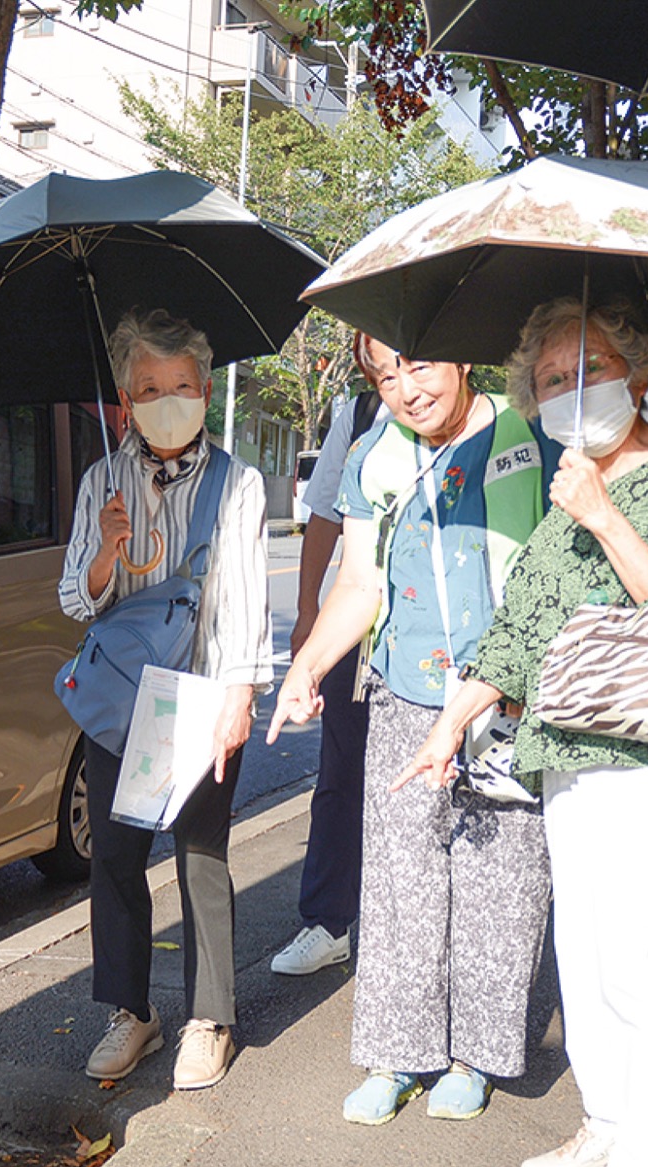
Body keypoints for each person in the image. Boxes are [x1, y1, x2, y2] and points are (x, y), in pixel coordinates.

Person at [395, 296, 648, 1167]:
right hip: (567, 753)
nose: (572, 389)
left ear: (636, 372)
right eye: (553, 380)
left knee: (644, 959)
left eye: (590, 368)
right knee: (588, 956)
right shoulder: (568, 489)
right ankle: (608, 1129)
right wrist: (450, 726)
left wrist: (600, 513)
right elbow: (518, 631)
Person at [267, 342, 554, 1124]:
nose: (406, 389)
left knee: (500, 882)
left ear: (465, 359)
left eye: (421, 365)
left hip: (506, 699)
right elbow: (360, 582)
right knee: (399, 879)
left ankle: (474, 1056)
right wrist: (311, 665)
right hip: (404, 691)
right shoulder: (372, 453)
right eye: (386, 375)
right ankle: (397, 1055)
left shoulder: (530, 437)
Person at [60, 308, 271, 1092]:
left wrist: (239, 696)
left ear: (207, 390)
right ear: (126, 396)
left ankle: (208, 1018)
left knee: (202, 852)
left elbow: (244, 598)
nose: (167, 399)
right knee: (114, 856)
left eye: (181, 384)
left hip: (204, 693)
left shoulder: (239, 481)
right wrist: (108, 548)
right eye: (149, 387)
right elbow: (77, 602)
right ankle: (130, 1012)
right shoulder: (100, 481)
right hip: (123, 699)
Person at [270, 334, 385, 976]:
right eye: (371, 346)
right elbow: (323, 518)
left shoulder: (486, 420)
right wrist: (308, 616)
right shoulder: (361, 415)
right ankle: (326, 921)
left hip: (438, 645)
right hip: (357, 625)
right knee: (341, 771)